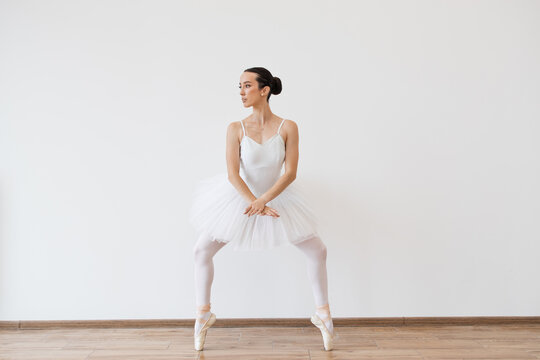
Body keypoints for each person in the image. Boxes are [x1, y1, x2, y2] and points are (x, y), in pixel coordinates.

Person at [188, 67, 336, 351]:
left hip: (278, 198)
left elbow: (290, 173)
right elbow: (233, 175)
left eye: (247, 86)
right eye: (239, 86)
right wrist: (253, 203)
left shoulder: (288, 127)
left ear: (264, 89)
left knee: (317, 250)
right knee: (201, 250)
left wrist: (264, 200)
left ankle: (323, 315)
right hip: (239, 199)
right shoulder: (235, 128)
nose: (242, 92)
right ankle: (202, 315)